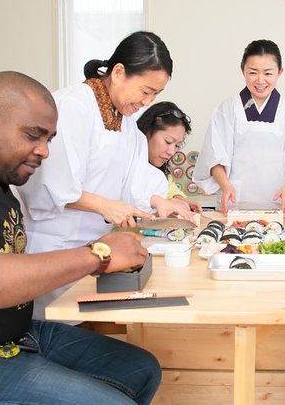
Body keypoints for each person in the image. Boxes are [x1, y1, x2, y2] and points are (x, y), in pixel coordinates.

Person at [0, 71, 160, 404]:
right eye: (33, 135)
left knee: (141, 368)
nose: (44, 151)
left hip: (17, 335)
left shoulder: (0, 188)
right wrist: (96, 254)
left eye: (49, 139)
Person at [16, 31, 192, 320]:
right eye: (145, 91)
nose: (147, 102)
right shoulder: (72, 107)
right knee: (53, 326)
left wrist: (160, 201)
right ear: (119, 72)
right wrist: (105, 206)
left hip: (94, 249)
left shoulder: (127, 123)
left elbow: (133, 178)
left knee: (84, 326)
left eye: (156, 95)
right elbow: (50, 188)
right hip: (53, 245)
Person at [193, 39, 285, 216]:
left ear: (280, 72)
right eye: (253, 72)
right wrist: (225, 186)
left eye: (268, 73)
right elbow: (213, 156)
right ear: (243, 71)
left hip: (281, 205)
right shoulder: (227, 110)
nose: (260, 80)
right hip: (234, 205)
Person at [136, 101, 202, 213]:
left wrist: (179, 199)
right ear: (147, 131)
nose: (172, 152)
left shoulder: (159, 168)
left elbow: (169, 188)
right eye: (168, 141)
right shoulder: (126, 161)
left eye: (177, 145)